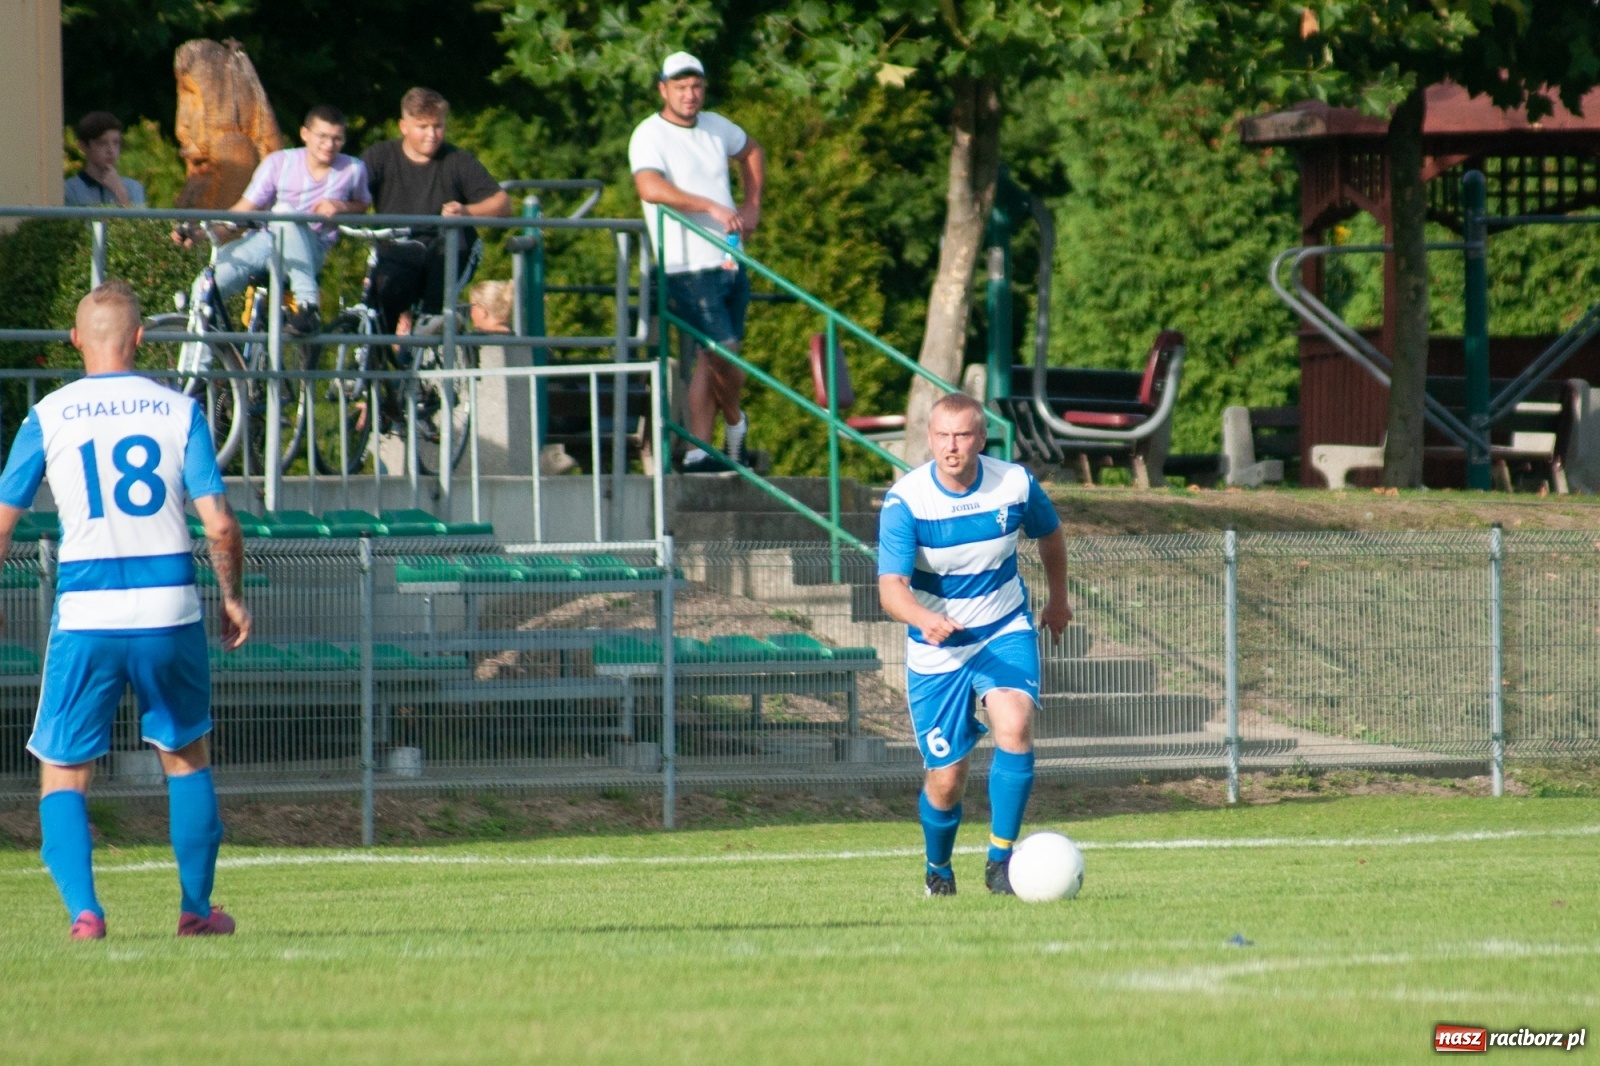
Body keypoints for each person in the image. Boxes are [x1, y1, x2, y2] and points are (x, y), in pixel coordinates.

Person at [0, 281, 252, 939]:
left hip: (86, 613)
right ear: (141, 339)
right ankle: (196, 909)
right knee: (186, 756)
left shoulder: (49, 415)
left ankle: (85, 913)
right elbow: (220, 527)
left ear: (76, 339)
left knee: (63, 768)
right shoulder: (179, 411)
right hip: (169, 608)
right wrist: (230, 594)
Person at [876, 392, 1071, 897]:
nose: (951, 446)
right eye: (941, 436)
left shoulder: (1015, 484)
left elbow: (1050, 535)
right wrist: (924, 618)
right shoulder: (906, 502)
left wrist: (1057, 600)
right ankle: (938, 869)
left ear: (981, 439)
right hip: (936, 648)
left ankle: (1000, 862)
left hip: (1003, 628)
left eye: (962, 435)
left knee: (1016, 722)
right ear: (930, 439)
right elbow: (891, 589)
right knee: (947, 777)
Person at [629, 52, 765, 473]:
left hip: (728, 257)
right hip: (685, 266)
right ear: (663, 89)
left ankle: (700, 451)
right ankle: (736, 425)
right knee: (724, 352)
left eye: (696, 87)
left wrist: (752, 205)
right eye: (681, 87)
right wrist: (711, 206)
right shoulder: (649, 134)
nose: (690, 95)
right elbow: (649, 187)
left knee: (714, 357)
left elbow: (751, 150)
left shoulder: (716, 126)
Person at [180, 105, 369, 335]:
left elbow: (362, 205)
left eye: (337, 139)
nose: (329, 145)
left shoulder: (353, 169)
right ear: (305, 134)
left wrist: (340, 206)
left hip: (311, 248)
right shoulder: (279, 163)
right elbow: (243, 211)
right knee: (205, 288)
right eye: (322, 136)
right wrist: (199, 233)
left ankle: (308, 307)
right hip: (266, 241)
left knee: (282, 212)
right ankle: (199, 366)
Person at [362, 88, 511, 335]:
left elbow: (502, 203)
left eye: (438, 126)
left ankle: (432, 320)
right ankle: (376, 360)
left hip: (444, 253)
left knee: (450, 247)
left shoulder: (457, 160)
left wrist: (466, 211)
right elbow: (350, 193)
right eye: (423, 127)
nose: (432, 135)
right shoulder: (379, 157)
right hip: (397, 253)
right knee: (383, 304)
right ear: (404, 126)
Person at [64, 112, 146, 207]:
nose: (111, 151)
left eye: (116, 143)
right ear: (84, 146)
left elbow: (138, 221)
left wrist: (120, 192)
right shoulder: (69, 189)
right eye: (102, 143)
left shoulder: (134, 187)